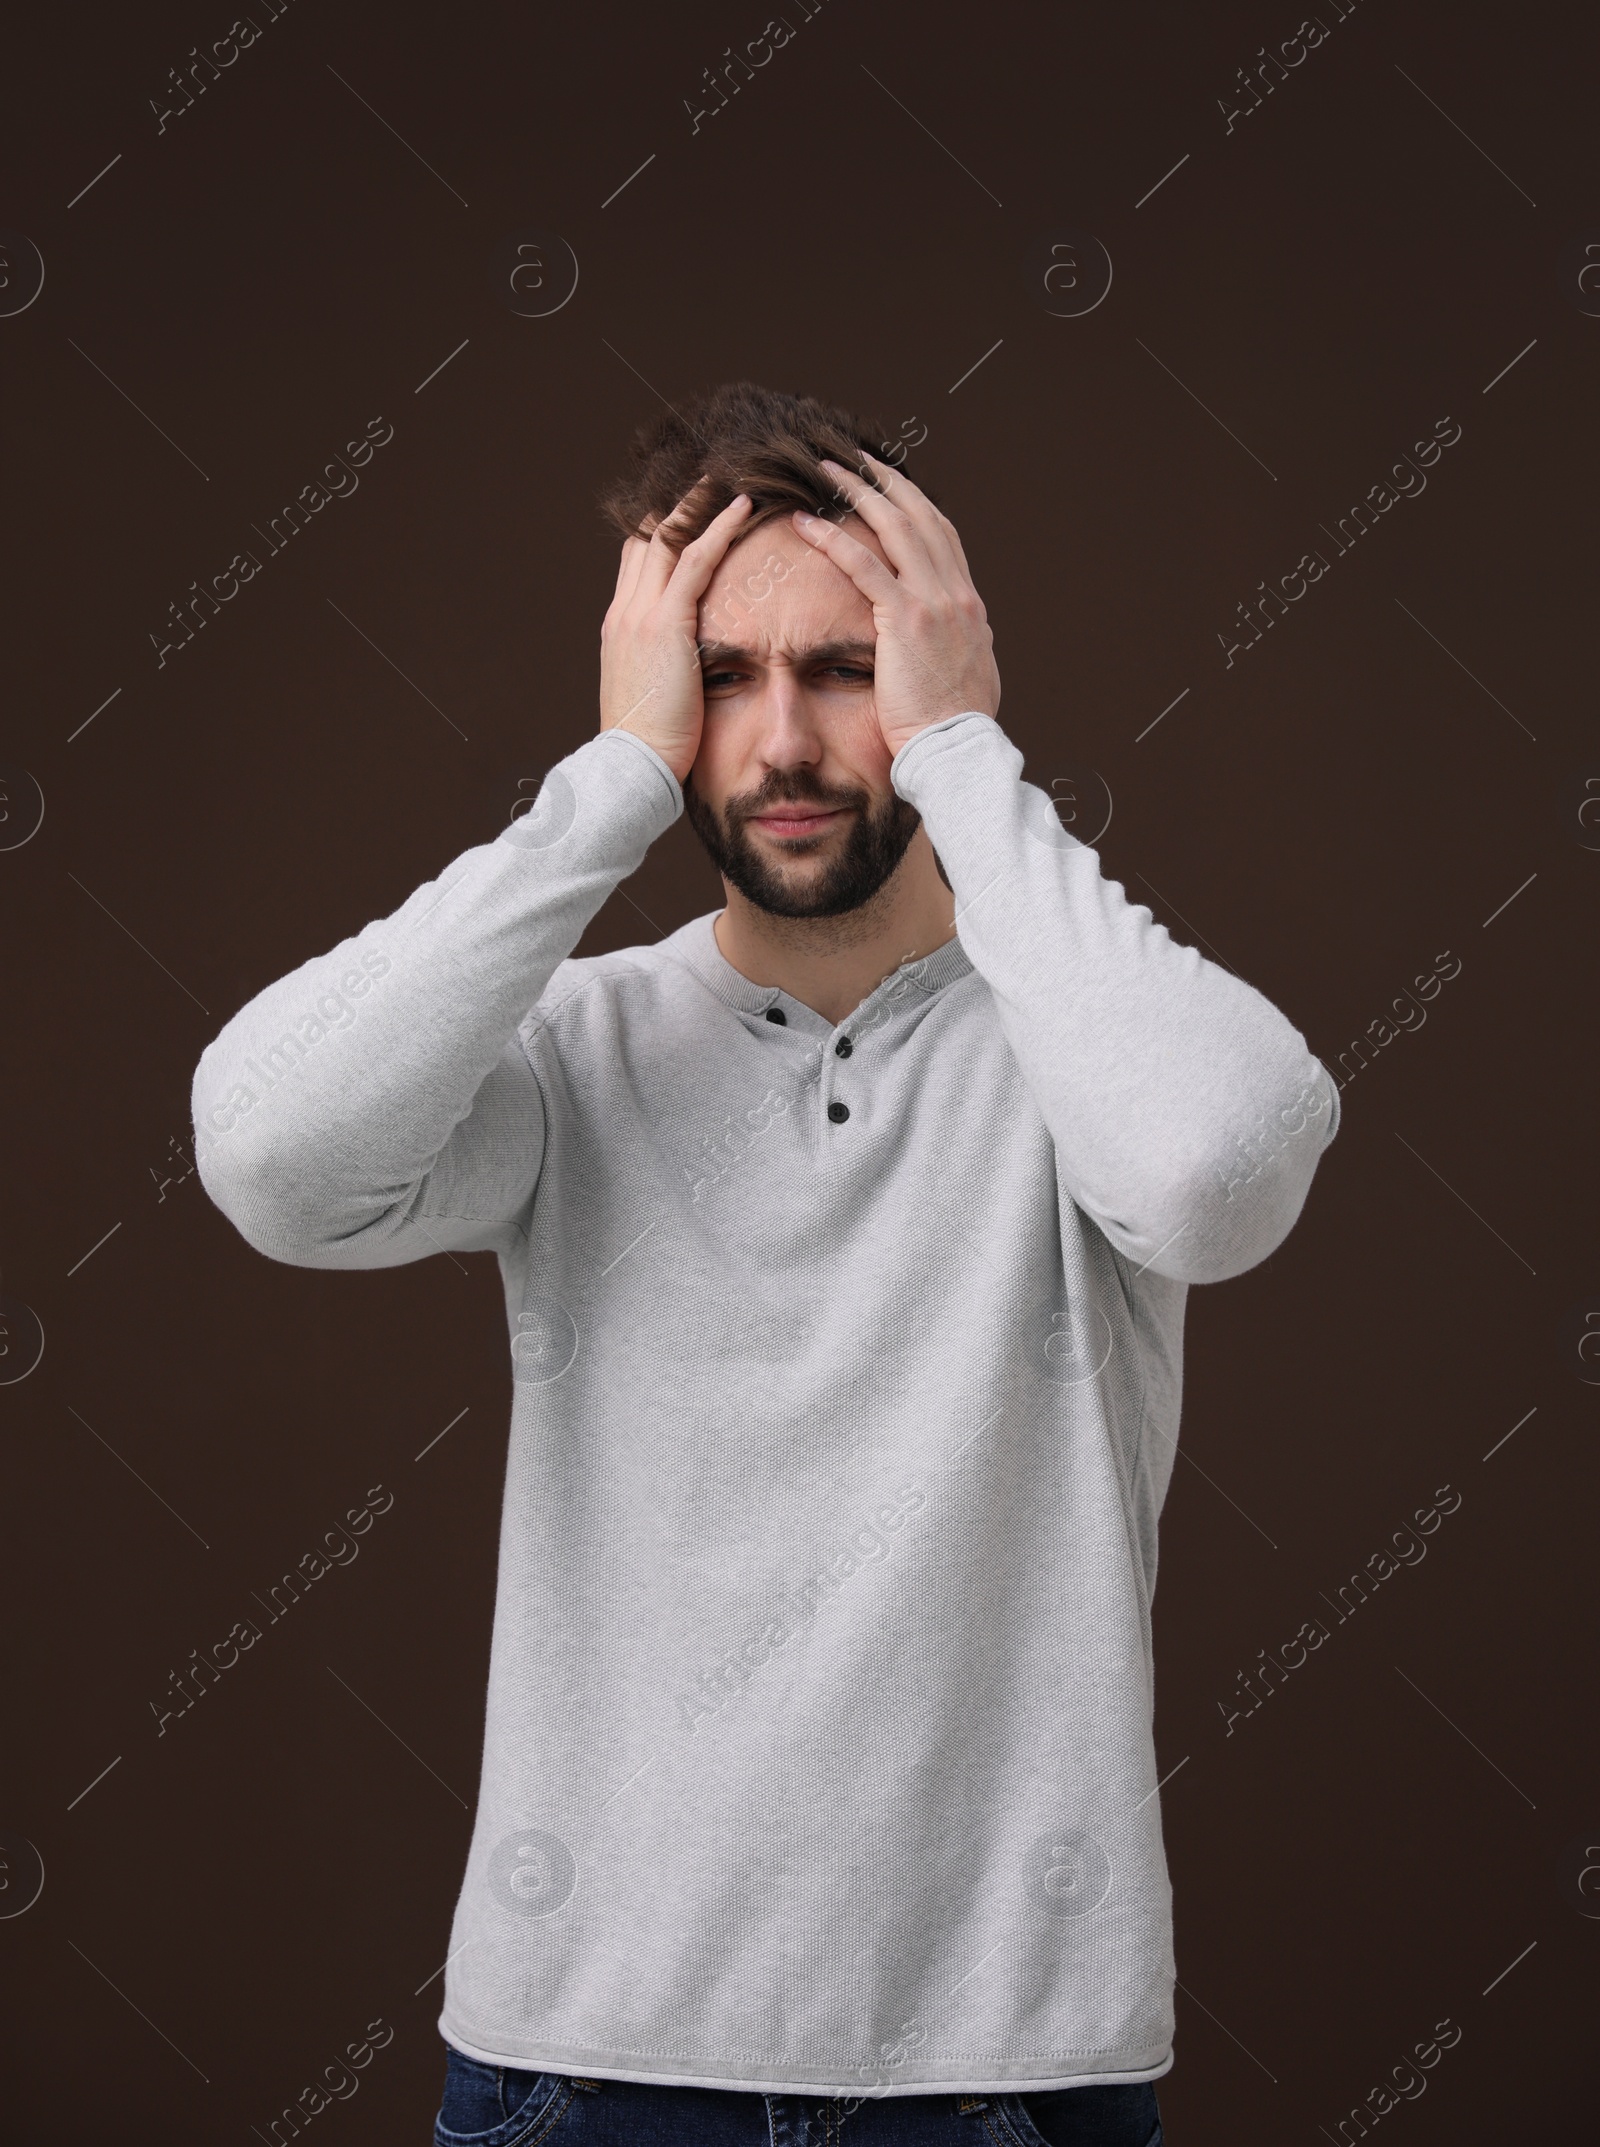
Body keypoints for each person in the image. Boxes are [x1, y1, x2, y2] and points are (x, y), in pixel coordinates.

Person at [192, 382, 1339, 2145]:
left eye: (850, 664)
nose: (785, 741)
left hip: (1005, 2073)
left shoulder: (1077, 1047)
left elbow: (1218, 1173)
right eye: (723, 677)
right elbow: (274, 1154)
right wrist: (605, 789)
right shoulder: (574, 1054)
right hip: (588, 2062)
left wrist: (967, 759)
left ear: (941, 664)